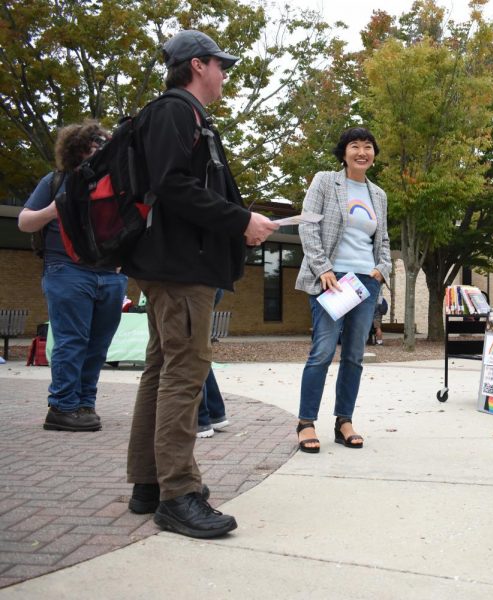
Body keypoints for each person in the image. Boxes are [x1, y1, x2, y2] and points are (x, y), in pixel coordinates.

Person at [122, 30, 278, 538]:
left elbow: (175, 187)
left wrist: (241, 226)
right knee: (184, 374)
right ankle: (179, 493)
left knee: (163, 370)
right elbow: (172, 185)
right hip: (180, 270)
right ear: (196, 66)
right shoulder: (174, 112)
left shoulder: (178, 115)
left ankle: (149, 484)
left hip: (172, 266)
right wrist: (239, 221)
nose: (224, 73)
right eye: (219, 64)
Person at [18, 121, 128, 433]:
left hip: (109, 276)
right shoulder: (56, 181)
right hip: (66, 271)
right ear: (76, 150)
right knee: (72, 341)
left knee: (98, 345)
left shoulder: (115, 185)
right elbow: (25, 221)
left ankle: (83, 404)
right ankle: (62, 408)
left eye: (103, 147)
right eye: (93, 147)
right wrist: (53, 210)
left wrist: (122, 263)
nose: (99, 153)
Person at [294, 126, 391, 453]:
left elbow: (384, 240)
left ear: (373, 155)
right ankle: (306, 422)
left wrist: (382, 269)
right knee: (322, 351)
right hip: (332, 280)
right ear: (344, 152)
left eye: (368, 146)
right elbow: (307, 225)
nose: (362, 152)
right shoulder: (325, 181)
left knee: (354, 355)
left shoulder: (378, 195)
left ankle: (343, 421)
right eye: (355, 146)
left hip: (365, 282)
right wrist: (322, 268)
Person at [197, 288, 228, 438]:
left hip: (190, 283)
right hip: (213, 281)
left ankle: (200, 420)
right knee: (196, 351)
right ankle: (215, 413)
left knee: (187, 354)